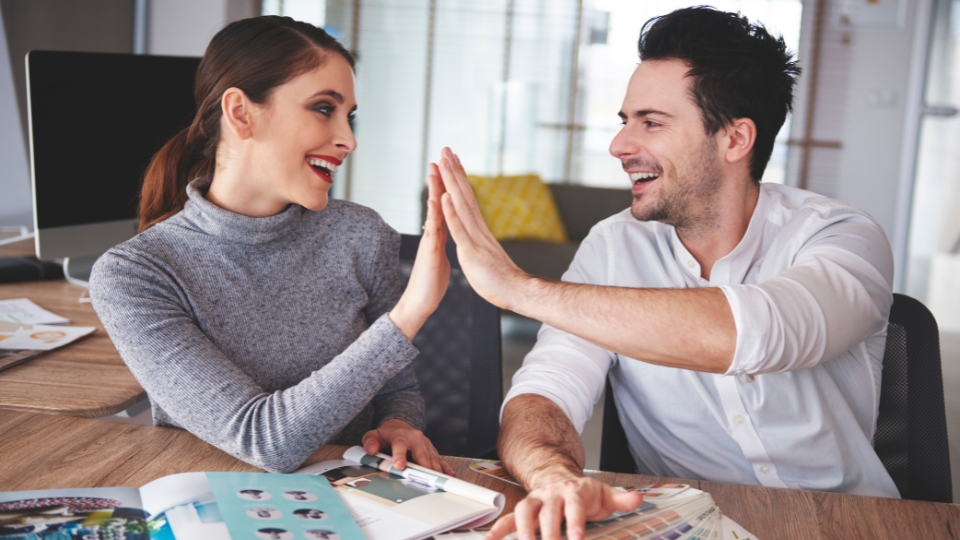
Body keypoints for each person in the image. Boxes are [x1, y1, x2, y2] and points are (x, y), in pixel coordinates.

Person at [432, 6, 900, 540]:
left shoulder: (840, 234)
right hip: (686, 525)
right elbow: (544, 394)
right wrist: (555, 478)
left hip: (850, 524)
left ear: (734, 139)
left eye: (651, 123)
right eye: (624, 121)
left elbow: (760, 333)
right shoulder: (612, 247)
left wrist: (519, 289)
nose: (619, 146)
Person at [89, 16, 453, 475]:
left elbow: (394, 384)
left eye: (349, 115)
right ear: (240, 113)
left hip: (356, 500)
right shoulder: (135, 274)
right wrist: (410, 315)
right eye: (324, 108)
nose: (348, 139)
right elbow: (263, 439)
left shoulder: (361, 235)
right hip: (216, 506)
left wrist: (399, 423)